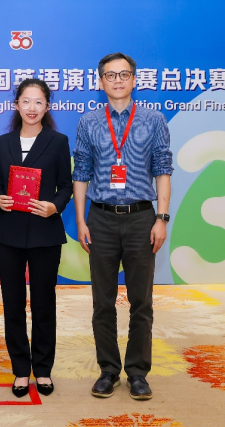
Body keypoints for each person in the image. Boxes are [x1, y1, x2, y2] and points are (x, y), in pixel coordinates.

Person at [73, 53, 173, 400]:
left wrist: (161, 218)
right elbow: (81, 172)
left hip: (141, 218)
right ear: (100, 81)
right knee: (102, 301)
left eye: (124, 74)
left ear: (134, 79)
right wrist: (81, 220)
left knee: (141, 301)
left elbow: (163, 169)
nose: (117, 80)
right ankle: (108, 370)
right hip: (100, 219)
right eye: (111, 75)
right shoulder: (88, 122)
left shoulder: (154, 119)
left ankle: (138, 372)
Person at [0, 78, 73, 398]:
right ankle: (21, 370)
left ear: (47, 106)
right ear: (17, 105)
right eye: (26, 101)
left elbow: (66, 185)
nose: (32, 108)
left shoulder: (58, 141)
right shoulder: (4, 141)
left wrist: (55, 206)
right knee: (12, 303)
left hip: (44, 232)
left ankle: (43, 369)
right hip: (9, 233)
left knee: (43, 303)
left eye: (39, 102)